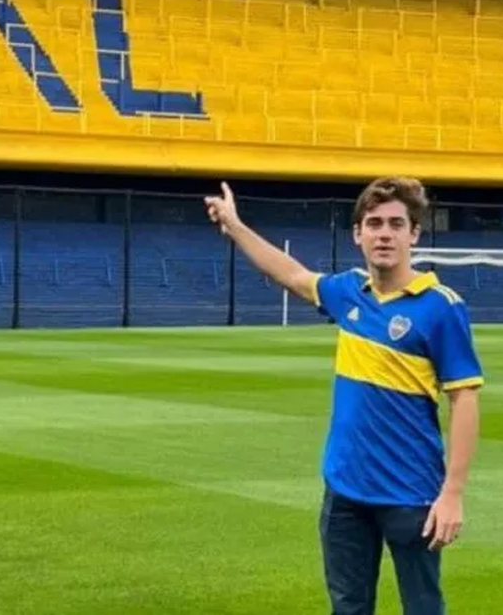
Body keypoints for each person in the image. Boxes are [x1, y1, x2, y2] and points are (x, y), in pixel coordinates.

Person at [203, 176, 482, 615]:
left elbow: (464, 399)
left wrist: (453, 493)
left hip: (411, 494)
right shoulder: (349, 291)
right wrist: (235, 226)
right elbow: (290, 273)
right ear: (357, 234)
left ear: (414, 234)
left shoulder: (441, 307)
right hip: (345, 491)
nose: (384, 234)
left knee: (423, 607)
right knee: (348, 608)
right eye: (374, 224)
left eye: (396, 224)